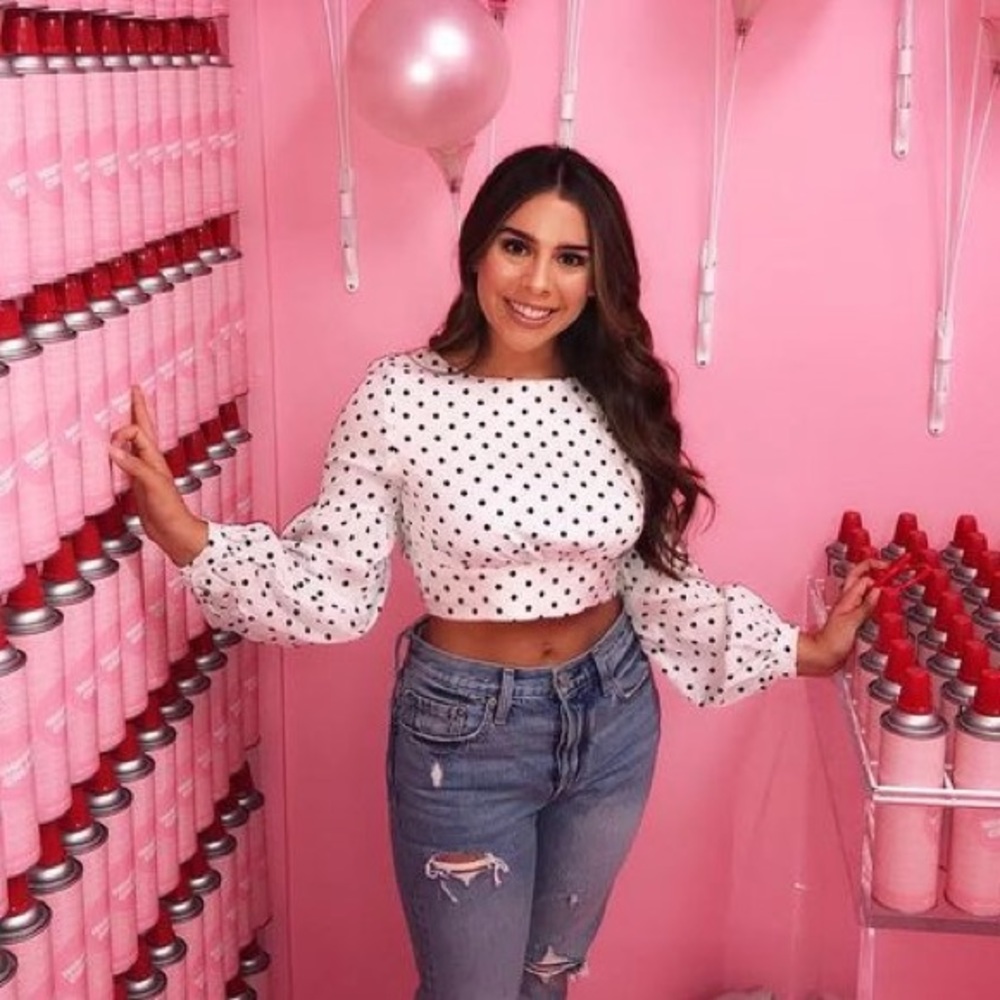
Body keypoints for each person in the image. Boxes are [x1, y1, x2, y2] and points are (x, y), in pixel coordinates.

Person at [109, 144, 878, 1000]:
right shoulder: (399, 396)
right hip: (465, 737)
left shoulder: (617, 395)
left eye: (569, 257)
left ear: (597, 279)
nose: (537, 282)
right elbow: (332, 586)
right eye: (518, 246)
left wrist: (805, 649)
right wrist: (182, 532)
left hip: (615, 719)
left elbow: (656, 584)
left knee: (546, 983)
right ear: (477, 249)